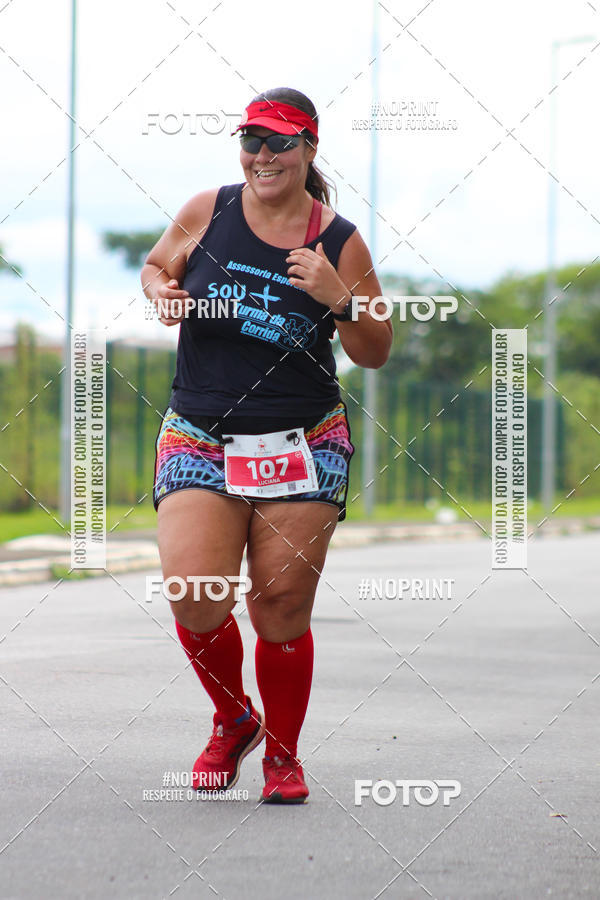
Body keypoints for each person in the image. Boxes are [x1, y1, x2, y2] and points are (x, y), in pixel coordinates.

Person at [141, 86, 392, 804]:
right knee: (195, 593)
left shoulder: (339, 240)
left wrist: (339, 297)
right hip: (201, 434)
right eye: (251, 140)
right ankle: (233, 719)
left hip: (303, 439)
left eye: (279, 142)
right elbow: (156, 266)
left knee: (279, 603)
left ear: (308, 149)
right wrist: (160, 291)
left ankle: (283, 755)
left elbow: (376, 349)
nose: (262, 155)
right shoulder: (208, 210)